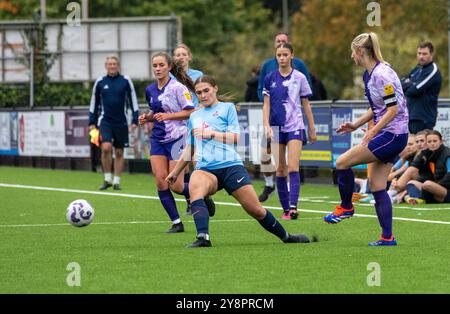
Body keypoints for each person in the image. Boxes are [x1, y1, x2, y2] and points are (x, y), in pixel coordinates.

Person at [166, 75, 316, 248]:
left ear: (215, 88)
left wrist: (212, 134)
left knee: (256, 210)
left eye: (206, 90)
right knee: (195, 189)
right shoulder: (194, 116)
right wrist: (175, 172)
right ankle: (203, 238)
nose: (203, 95)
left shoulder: (227, 108)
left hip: (231, 166)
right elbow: (190, 147)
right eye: (199, 92)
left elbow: (236, 137)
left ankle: (287, 236)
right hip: (205, 168)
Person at [323, 32, 409, 247]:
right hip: (390, 134)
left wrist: (372, 132)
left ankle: (346, 207)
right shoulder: (368, 75)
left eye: (353, 52)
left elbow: (393, 109)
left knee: (342, 162)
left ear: (361, 51)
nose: (352, 57)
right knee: (377, 185)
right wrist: (357, 125)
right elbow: (377, 108)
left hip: (393, 135)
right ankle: (387, 237)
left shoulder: (382, 74)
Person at [138, 52, 214, 234]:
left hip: (177, 138)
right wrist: (147, 118)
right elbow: (155, 110)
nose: (157, 69)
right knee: (160, 181)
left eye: (161, 65)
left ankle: (202, 195)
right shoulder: (150, 90)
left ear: (169, 67)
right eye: (155, 65)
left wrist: (168, 116)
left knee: (177, 186)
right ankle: (177, 222)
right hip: (158, 139)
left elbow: (190, 112)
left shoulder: (178, 88)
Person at [262, 43, 316, 220]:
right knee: (280, 170)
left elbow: (306, 104)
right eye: (279, 55)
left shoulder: (299, 77)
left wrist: (312, 128)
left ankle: (293, 207)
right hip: (276, 128)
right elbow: (266, 104)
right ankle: (285, 209)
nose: (282, 58)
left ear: (292, 55)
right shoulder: (270, 78)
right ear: (276, 57)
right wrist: (266, 125)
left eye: (285, 54)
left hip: (295, 126)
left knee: (293, 167)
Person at [89, 55, 139, 190]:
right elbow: (94, 103)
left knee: (118, 152)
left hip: (122, 121)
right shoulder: (100, 82)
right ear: (106, 66)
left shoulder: (125, 81)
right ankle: (107, 179)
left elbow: (133, 100)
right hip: (105, 121)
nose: (112, 66)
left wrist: (135, 119)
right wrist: (91, 121)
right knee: (105, 148)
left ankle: (116, 181)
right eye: (109, 64)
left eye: (114, 64)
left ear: (118, 66)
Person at [401, 42, 442, 134]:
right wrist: (411, 83)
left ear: (431, 54)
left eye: (424, 54)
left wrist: (409, 83)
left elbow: (413, 91)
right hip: (410, 116)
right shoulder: (418, 68)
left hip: (423, 119)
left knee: (422, 148)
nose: (421, 56)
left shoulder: (432, 70)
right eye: (419, 53)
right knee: (410, 147)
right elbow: (400, 84)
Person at [404, 130, 450, 204]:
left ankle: (410, 196)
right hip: (434, 188)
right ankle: (416, 198)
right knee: (411, 183)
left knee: (427, 184)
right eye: (429, 142)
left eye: (435, 141)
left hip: (445, 190)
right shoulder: (428, 154)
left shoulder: (447, 154)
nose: (432, 144)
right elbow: (424, 174)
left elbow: (449, 175)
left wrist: (436, 185)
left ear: (441, 142)